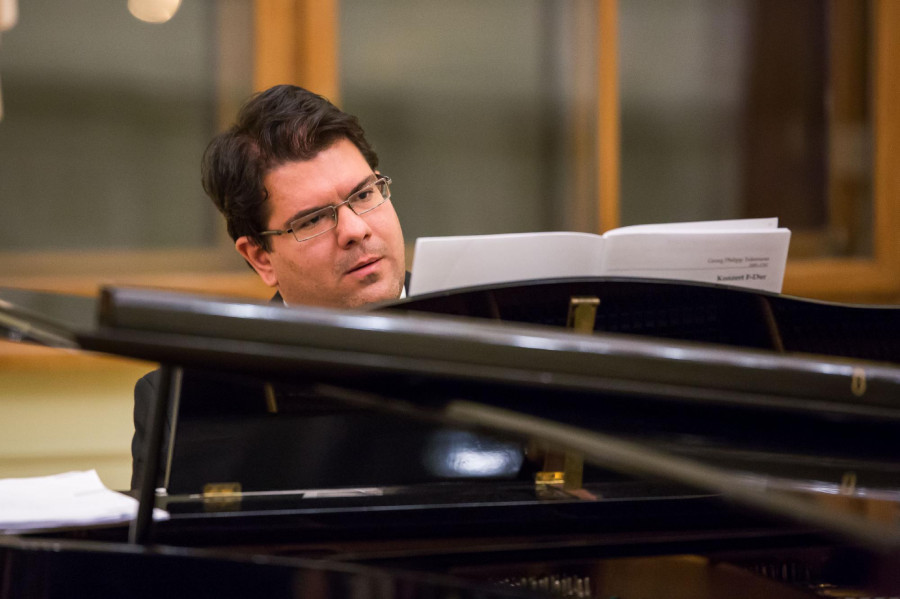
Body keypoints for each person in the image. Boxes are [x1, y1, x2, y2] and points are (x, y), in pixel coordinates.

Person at [130, 85, 523, 490]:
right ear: (260, 258)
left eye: (364, 194)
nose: (356, 229)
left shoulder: (498, 343)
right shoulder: (181, 401)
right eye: (314, 220)